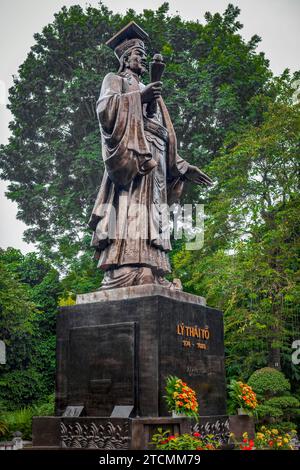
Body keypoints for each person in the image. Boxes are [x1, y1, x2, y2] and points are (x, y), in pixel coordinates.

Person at [89, 22, 212, 289]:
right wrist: (139, 98)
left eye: (144, 55)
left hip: (156, 158)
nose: (142, 59)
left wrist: (181, 166)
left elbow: (164, 131)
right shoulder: (115, 80)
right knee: (132, 210)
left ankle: (154, 271)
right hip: (134, 156)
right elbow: (105, 110)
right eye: (137, 55)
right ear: (125, 58)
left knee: (154, 215)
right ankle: (126, 272)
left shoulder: (150, 88)